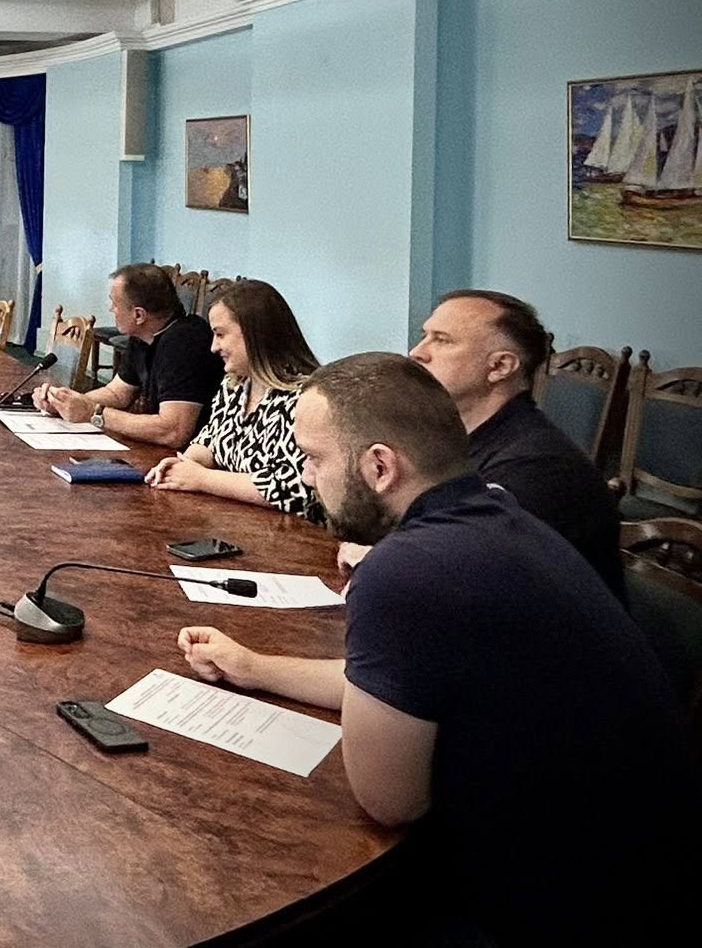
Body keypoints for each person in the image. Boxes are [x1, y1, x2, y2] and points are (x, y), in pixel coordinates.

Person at [175, 353, 694, 946]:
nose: (307, 477)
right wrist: (253, 668)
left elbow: (390, 801)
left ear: (380, 466)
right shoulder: (498, 515)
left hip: (552, 914)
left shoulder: (405, 571)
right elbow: (399, 684)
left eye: (315, 458)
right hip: (648, 878)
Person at [389, 288, 623, 594]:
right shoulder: (451, 437)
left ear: (500, 367)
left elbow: (458, 574)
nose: (417, 352)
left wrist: (381, 555)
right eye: (425, 336)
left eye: (442, 340)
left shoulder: (539, 468)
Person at [145, 279, 322, 518]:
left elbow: (293, 489)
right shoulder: (234, 384)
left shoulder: (307, 398)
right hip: (237, 521)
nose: (213, 347)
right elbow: (210, 440)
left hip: (293, 531)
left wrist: (203, 479)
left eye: (220, 334)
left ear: (254, 334)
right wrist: (183, 464)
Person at [36, 263, 223, 448]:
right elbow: (117, 393)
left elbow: (173, 431)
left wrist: (93, 413)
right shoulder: (143, 335)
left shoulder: (186, 342)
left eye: (114, 303)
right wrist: (65, 402)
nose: (111, 309)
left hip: (195, 456)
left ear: (139, 315)